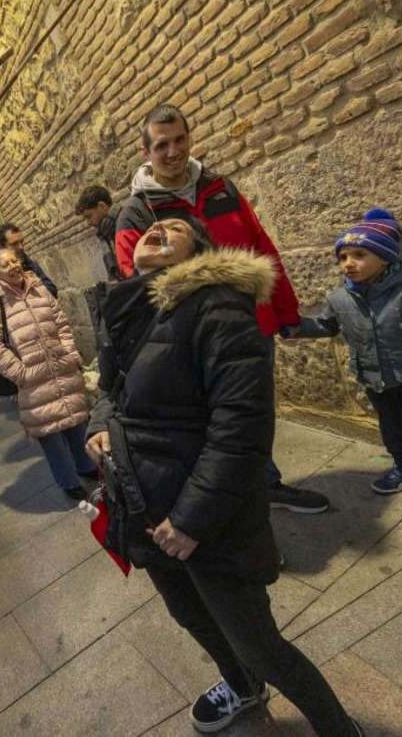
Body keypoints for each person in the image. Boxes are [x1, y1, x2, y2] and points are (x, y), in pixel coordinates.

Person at [86, 218, 360, 734]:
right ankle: (241, 686)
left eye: (175, 227)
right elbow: (108, 389)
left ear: (202, 250)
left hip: (206, 510)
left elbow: (242, 426)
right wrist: (98, 426)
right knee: (190, 614)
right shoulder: (128, 306)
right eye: (152, 226)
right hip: (143, 500)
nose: (158, 230)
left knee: (260, 644)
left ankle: (339, 727)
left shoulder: (220, 307)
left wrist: (192, 520)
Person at [114, 103, 329, 515]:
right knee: (220, 427)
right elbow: (138, 284)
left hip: (253, 324)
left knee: (254, 412)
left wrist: (285, 311)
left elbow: (261, 246)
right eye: (162, 145)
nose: (173, 151)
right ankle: (241, 510)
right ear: (147, 153)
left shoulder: (221, 189)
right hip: (193, 340)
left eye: (180, 140)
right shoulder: (137, 213)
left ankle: (265, 488)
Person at [291, 209, 402, 507]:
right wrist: (295, 327)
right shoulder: (340, 298)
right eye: (343, 257)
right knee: (392, 429)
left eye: (359, 254)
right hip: (377, 381)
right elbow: (326, 325)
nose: (348, 263)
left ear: (385, 256)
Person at [0, 247, 95, 501]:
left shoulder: (38, 287)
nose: (13, 266)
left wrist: (70, 352)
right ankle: (68, 481)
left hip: (61, 367)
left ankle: (87, 466)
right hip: (33, 379)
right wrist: (20, 373)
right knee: (49, 433)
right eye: (5, 264)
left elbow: (61, 322)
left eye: (14, 260)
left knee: (75, 421)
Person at [0, 223, 59, 313]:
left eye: (22, 242)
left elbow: (52, 290)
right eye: (14, 244)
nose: (21, 247)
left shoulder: (29, 264)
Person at [74, 184, 122, 282]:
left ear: (102, 206)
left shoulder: (125, 220)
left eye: (89, 216)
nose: (88, 222)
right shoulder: (105, 232)